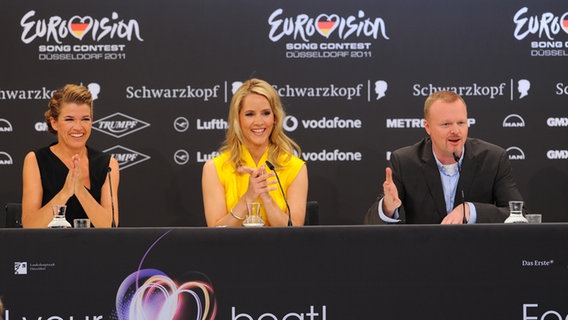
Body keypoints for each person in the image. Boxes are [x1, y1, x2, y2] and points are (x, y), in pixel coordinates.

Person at [365, 90, 526, 224]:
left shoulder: (493, 159)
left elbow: (519, 215)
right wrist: (388, 207)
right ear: (427, 127)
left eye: (461, 122)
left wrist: (472, 210)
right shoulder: (405, 161)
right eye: (446, 124)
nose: (456, 130)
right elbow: (371, 225)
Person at [202, 78, 308, 227]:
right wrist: (249, 196)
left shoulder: (295, 167)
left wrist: (266, 197)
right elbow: (216, 233)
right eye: (250, 114)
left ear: (275, 118)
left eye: (265, 113)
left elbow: (295, 231)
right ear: (237, 119)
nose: (259, 122)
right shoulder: (214, 169)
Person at [21, 84, 119, 228]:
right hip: (48, 249)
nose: (78, 127)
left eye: (85, 119)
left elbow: (110, 226)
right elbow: (30, 225)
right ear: (54, 123)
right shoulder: (35, 160)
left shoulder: (108, 165)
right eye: (69, 119)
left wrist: (80, 191)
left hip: (95, 249)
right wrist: (66, 192)